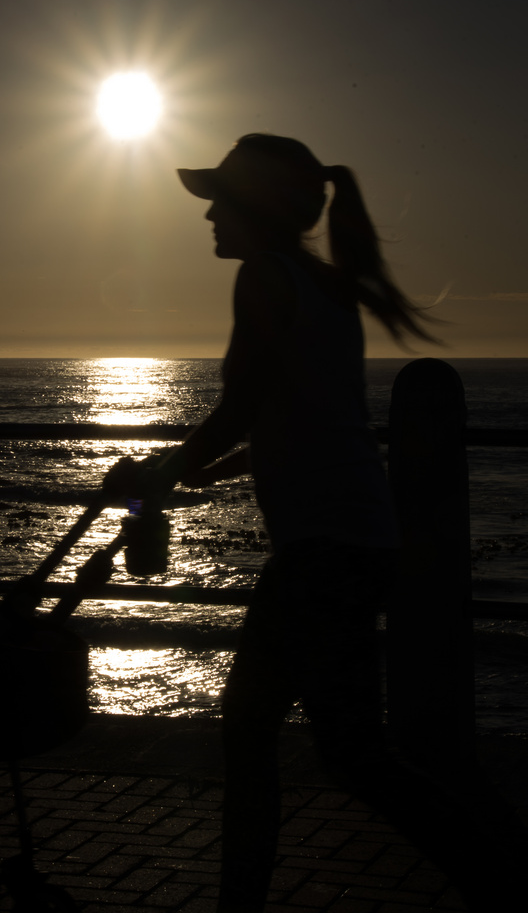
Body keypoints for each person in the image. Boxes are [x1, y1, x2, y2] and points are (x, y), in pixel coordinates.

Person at [119, 133, 522, 912]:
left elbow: (240, 406)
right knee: (274, 735)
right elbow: (301, 418)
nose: (207, 221)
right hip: (358, 538)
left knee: (344, 753)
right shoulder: (328, 289)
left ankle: (498, 879)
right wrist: (202, 471)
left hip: (321, 551)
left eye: (218, 205)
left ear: (254, 210)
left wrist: (159, 475)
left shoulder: (267, 278)